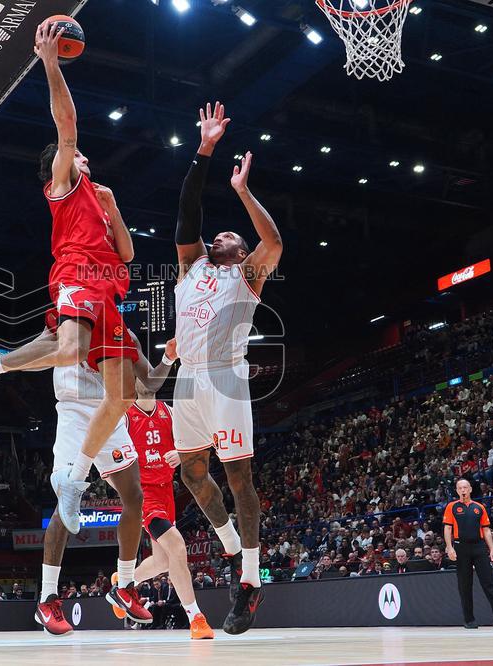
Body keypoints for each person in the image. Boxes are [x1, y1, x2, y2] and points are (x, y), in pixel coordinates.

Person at [0, 20, 138, 538]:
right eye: (77, 154)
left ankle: (73, 477)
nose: (84, 155)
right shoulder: (63, 185)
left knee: (122, 395)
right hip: (76, 273)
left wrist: (115, 208)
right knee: (69, 350)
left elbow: (128, 254)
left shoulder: (99, 199)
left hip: (108, 289)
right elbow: (67, 124)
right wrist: (50, 63)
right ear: (61, 166)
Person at [171, 102, 283, 635]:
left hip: (224, 376)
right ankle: (233, 546)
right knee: (192, 474)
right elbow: (187, 211)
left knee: (239, 476)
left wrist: (242, 191)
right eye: (216, 235)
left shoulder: (249, 275)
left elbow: (274, 241)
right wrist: (204, 150)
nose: (218, 237)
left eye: (228, 236)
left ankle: (251, 579)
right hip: (187, 378)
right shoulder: (191, 265)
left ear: (241, 252)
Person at [34, 325, 156, 636]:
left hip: (109, 412)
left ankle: (124, 584)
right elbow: (35, 355)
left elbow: (150, 380)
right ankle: (47, 598)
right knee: (67, 501)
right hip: (74, 413)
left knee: (134, 497)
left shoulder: (124, 332)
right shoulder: (66, 322)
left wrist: (170, 357)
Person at [107, 343, 214, 638]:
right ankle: (196, 618)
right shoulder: (123, 416)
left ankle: (121, 584)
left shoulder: (169, 412)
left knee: (164, 561)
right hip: (144, 495)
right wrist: (126, 493)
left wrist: (181, 454)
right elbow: (107, 460)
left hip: (167, 492)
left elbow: (203, 440)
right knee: (177, 546)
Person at [443, 479, 493, 629]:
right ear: (457, 490)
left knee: (488, 582)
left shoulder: (479, 507)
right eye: (460, 488)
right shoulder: (451, 507)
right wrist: (449, 548)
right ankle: (469, 620)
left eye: (465, 487)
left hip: (479, 547)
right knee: (464, 585)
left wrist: (492, 550)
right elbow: (447, 528)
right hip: (461, 547)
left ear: (470, 489)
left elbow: (486, 530)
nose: (463, 490)